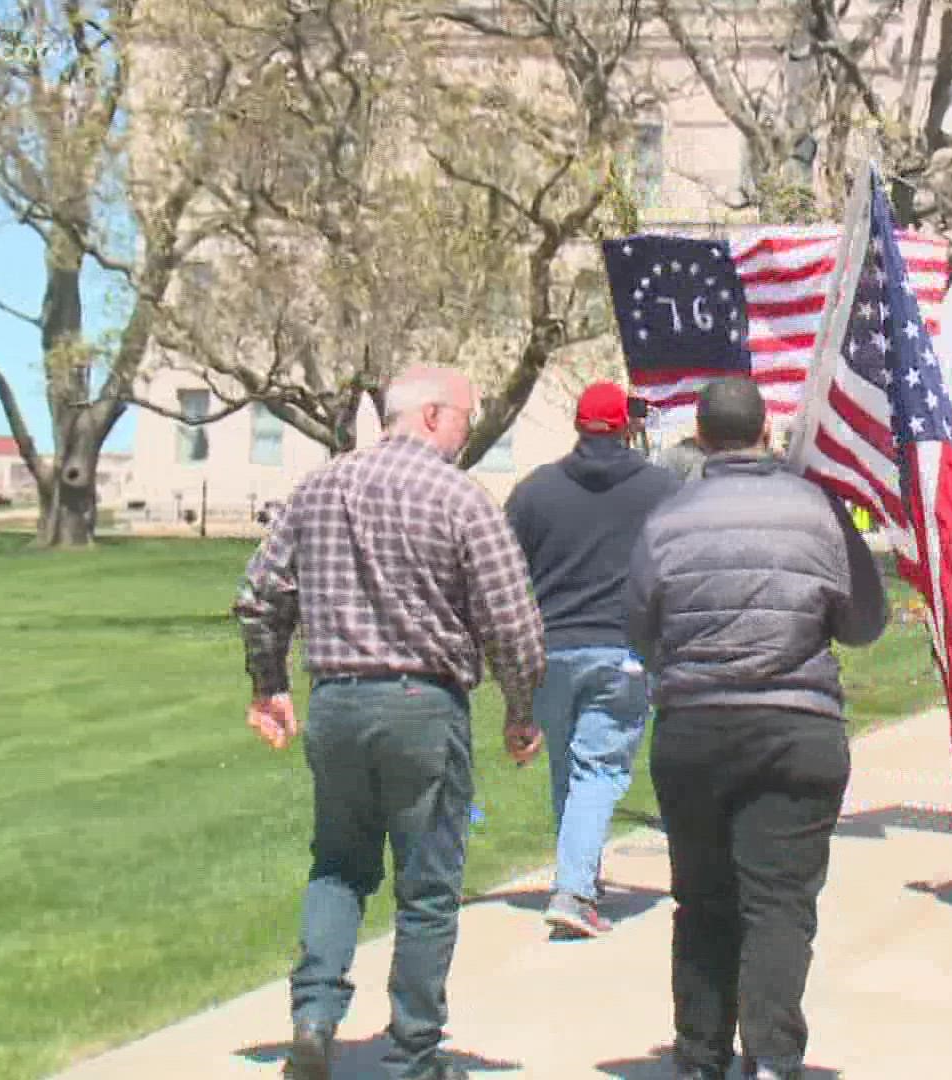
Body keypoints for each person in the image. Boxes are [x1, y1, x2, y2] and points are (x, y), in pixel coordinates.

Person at [233, 365, 548, 1080]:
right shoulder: (462, 498)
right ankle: (414, 1048)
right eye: (467, 415)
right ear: (432, 414)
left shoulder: (316, 488)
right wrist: (522, 711)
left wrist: (270, 682)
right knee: (428, 882)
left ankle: (314, 1016)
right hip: (422, 705)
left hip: (338, 700)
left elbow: (259, 595)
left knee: (339, 864)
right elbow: (514, 623)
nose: (471, 429)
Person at [626, 376, 887, 1080]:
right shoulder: (818, 513)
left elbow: (640, 625)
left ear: (701, 439)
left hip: (695, 727)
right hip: (794, 725)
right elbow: (864, 624)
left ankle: (700, 1054)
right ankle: (771, 1055)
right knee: (779, 903)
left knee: (702, 901)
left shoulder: (666, 519)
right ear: (767, 433)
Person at [505, 380, 680, 938]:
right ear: (626, 426)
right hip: (622, 648)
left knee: (570, 767)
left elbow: (505, 575)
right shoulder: (663, 489)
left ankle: (578, 876)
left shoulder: (533, 491)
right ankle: (576, 891)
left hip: (549, 648)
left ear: (578, 424)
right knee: (598, 769)